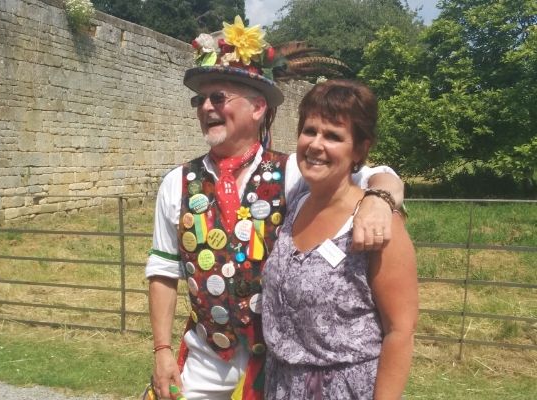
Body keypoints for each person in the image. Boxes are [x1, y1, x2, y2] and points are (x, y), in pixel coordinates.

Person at [146, 16, 405, 400]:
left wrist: (380, 198)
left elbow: (372, 173)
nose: (206, 108)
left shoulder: (291, 173)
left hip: (275, 363)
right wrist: (162, 350)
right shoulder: (176, 183)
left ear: (257, 107)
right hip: (203, 355)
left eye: (219, 98)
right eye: (200, 99)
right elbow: (164, 271)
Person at [262, 79, 418, 399]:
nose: (316, 144)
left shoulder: (378, 222)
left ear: (359, 149)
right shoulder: (296, 203)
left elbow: (400, 332)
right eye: (310, 131)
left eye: (333, 136)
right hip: (282, 385)